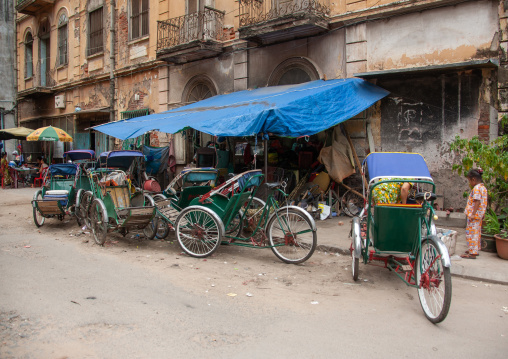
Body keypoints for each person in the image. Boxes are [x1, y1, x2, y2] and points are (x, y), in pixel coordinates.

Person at [461, 168, 488, 259]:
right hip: (479, 215)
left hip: (474, 215)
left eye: (469, 180)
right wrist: (482, 213)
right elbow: (483, 202)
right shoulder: (483, 188)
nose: (469, 183)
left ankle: (472, 253)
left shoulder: (476, 189)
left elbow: (477, 201)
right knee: (476, 233)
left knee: (471, 233)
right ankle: (474, 249)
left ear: (473, 179)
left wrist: (473, 214)